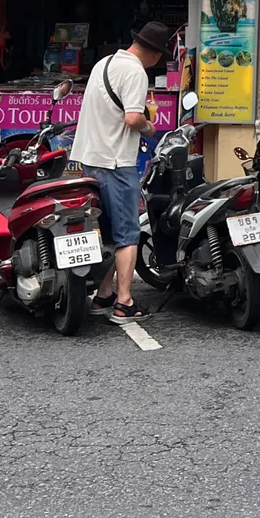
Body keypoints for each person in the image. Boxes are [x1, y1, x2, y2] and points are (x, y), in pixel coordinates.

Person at [72, 19, 168, 321]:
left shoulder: (105, 62)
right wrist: (150, 127)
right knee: (127, 233)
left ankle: (103, 295)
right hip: (116, 161)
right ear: (153, 54)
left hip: (91, 157)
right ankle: (125, 302)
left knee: (109, 233)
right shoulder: (136, 71)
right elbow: (132, 119)